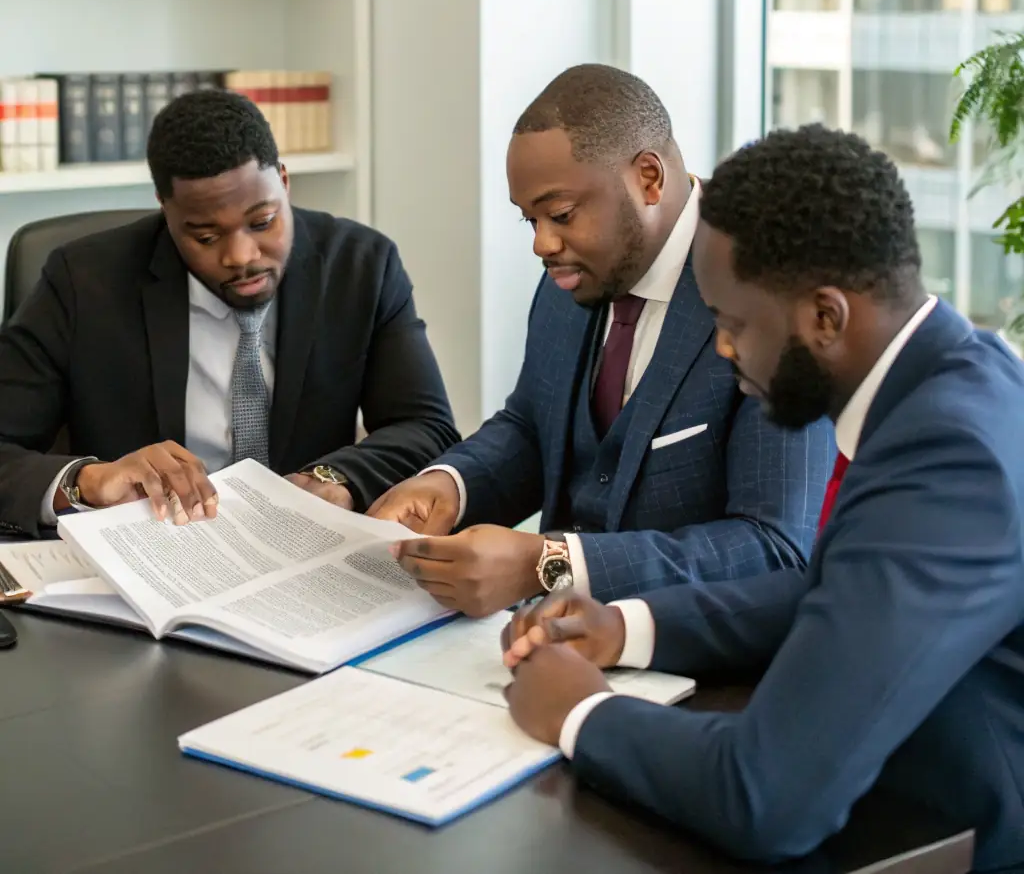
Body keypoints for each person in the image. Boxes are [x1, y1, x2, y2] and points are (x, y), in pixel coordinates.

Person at [500, 124, 1024, 872]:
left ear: (825, 316)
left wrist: (581, 710)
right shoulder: (955, 380)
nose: (721, 348)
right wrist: (627, 627)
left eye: (731, 321)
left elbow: (766, 794)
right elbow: (840, 590)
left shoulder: (949, 457)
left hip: (955, 839)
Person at [369, 65, 833, 616]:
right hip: (545, 650)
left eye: (561, 215)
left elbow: (774, 549)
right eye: (530, 220)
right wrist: (451, 484)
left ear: (649, 178)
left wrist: (550, 564)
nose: (542, 244)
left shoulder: (771, 294)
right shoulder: (573, 274)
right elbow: (532, 426)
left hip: (696, 670)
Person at [0, 88, 458, 536]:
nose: (240, 256)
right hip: (152, 554)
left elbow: (426, 426)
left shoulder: (361, 266)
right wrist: (87, 481)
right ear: (166, 210)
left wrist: (336, 479)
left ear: (283, 180)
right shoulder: (84, 281)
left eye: (262, 222)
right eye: (205, 237)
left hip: (302, 553)